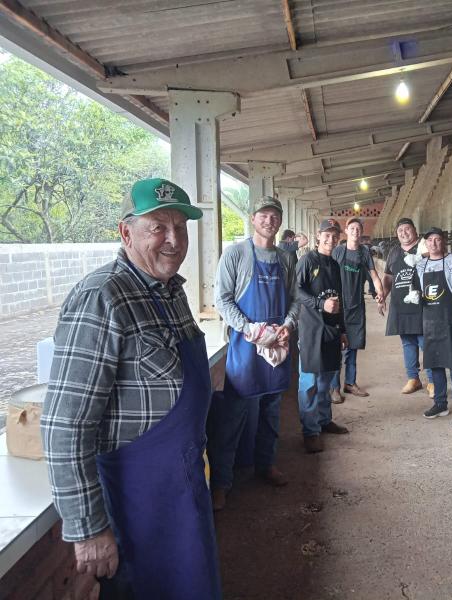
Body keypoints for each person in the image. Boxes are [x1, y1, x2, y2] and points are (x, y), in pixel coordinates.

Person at [41, 178, 221, 599]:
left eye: (181, 226)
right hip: (138, 502)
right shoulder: (103, 297)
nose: (174, 240)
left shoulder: (170, 292)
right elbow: (64, 426)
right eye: (158, 226)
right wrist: (88, 529)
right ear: (126, 232)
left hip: (183, 484)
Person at [208, 196, 299, 511]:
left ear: (279, 221)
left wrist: (287, 324)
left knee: (272, 413)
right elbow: (222, 299)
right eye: (264, 215)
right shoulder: (235, 254)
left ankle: (266, 465)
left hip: (277, 348)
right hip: (246, 348)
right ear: (252, 219)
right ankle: (221, 482)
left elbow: (295, 298)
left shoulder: (286, 259)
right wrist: (249, 329)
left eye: (275, 215)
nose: (269, 220)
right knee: (233, 417)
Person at [411, 227, 452, 429]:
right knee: (435, 364)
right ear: (425, 243)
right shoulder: (420, 266)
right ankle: (440, 404)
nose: (434, 243)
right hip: (429, 322)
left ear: (444, 241)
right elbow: (415, 289)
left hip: (450, 321)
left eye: (438, 239)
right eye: (430, 240)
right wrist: (413, 295)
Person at [295, 219, 350, 453]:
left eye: (335, 236)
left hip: (331, 330)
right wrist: (319, 304)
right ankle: (310, 432)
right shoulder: (307, 261)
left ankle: (324, 420)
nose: (331, 240)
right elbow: (295, 291)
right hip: (311, 329)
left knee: (326, 378)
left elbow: (340, 299)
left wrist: (343, 329)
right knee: (309, 382)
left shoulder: (335, 265)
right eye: (327, 235)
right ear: (318, 236)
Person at [329, 217, 386, 402]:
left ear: (361, 232)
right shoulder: (338, 251)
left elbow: (374, 276)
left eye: (358, 228)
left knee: (353, 346)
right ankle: (334, 387)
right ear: (346, 231)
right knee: (336, 348)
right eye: (352, 228)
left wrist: (380, 293)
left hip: (356, 306)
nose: (355, 231)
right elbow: (328, 273)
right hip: (338, 306)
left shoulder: (364, 253)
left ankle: (350, 383)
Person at [382, 218, 434, 396]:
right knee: (407, 342)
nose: (403, 232)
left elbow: (436, 262)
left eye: (407, 229)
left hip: (422, 303)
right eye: (400, 230)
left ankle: (433, 381)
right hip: (400, 304)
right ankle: (413, 378)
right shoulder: (394, 252)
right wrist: (383, 296)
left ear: (415, 230)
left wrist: (422, 256)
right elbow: (388, 278)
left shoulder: (423, 246)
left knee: (425, 341)